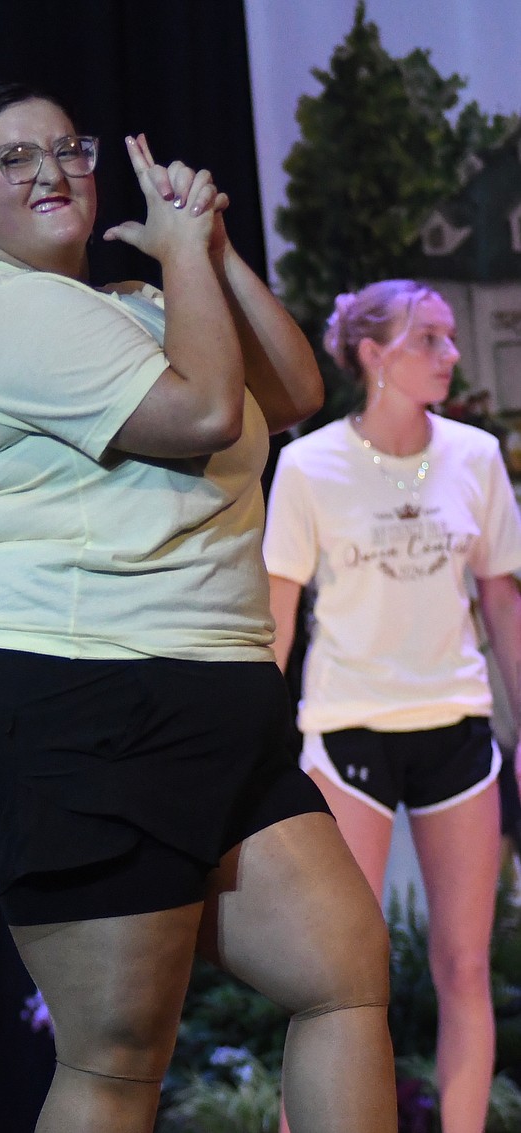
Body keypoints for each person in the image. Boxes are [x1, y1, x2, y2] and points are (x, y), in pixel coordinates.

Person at [0, 81, 398, 1133]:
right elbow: (197, 413)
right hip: (77, 697)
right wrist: (181, 258)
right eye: (13, 158)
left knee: (342, 972)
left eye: (67, 147)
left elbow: (290, 396)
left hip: (210, 700)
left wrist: (211, 248)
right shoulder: (7, 312)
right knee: (117, 1055)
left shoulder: (132, 304)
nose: (51, 170)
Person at [264, 280, 521, 1133]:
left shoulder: (475, 457)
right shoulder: (308, 466)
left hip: (454, 725)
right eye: (431, 340)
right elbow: (277, 616)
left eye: (451, 339)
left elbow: (503, 602)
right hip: (347, 732)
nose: (451, 356)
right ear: (373, 354)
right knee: (338, 976)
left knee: (462, 965)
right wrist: (258, 747)